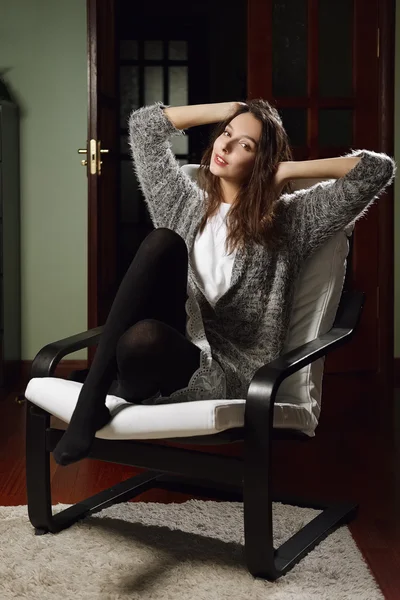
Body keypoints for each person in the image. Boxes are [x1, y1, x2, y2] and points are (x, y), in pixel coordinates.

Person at [53, 99, 396, 466]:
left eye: (245, 145)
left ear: (261, 161)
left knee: (143, 339)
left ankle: (108, 386)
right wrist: (229, 109)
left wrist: (282, 171)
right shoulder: (181, 203)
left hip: (221, 368)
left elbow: (376, 170)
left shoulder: (291, 222)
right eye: (226, 135)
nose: (225, 147)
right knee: (162, 241)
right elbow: (144, 127)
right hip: (173, 338)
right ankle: (92, 401)